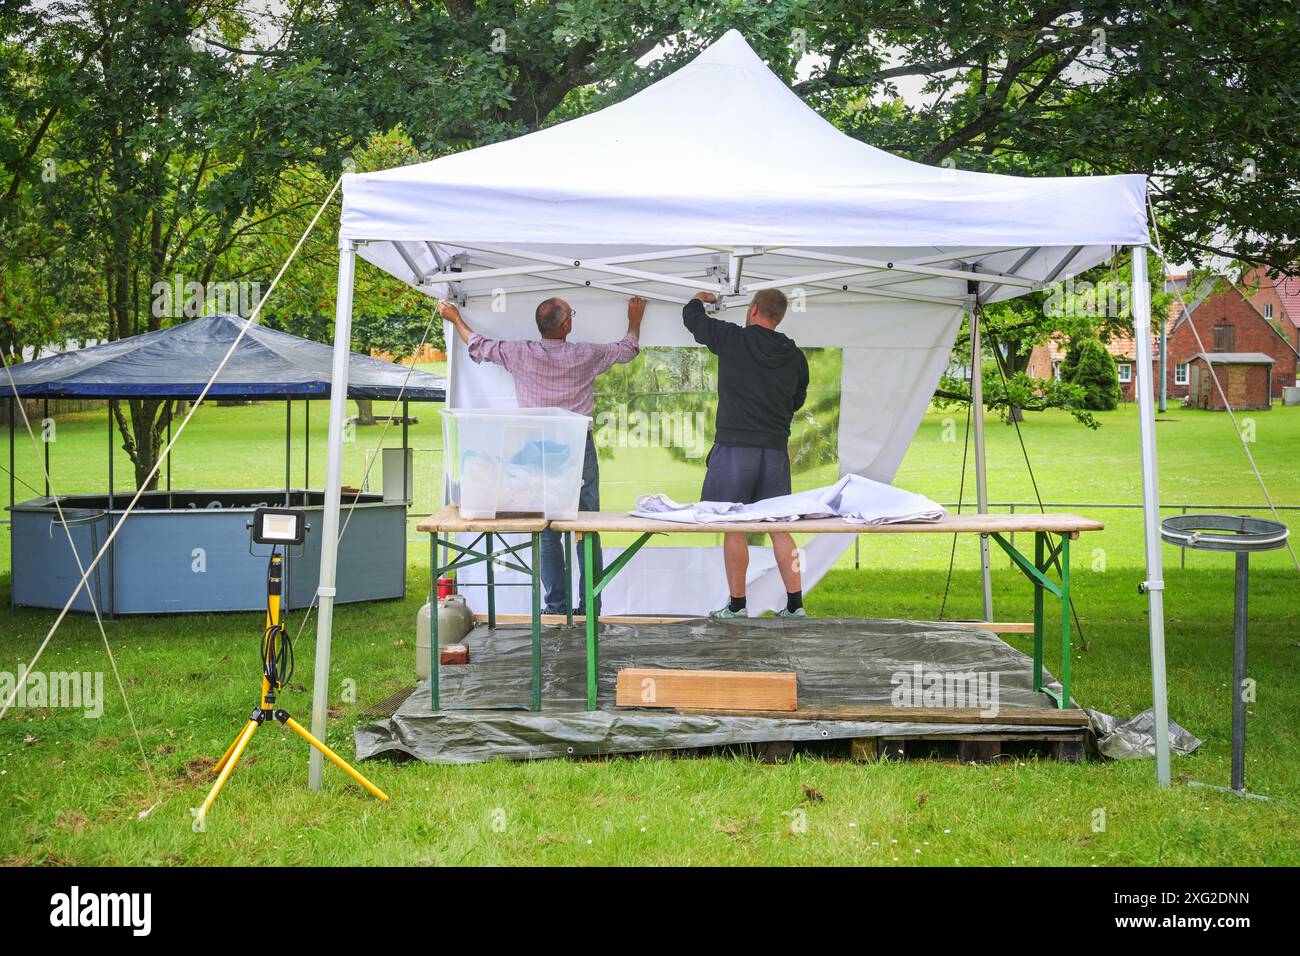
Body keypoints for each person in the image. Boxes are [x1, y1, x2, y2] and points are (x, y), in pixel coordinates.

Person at [438, 296, 645, 614]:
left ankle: (555, 608)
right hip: (576, 448)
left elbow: (478, 345)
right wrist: (634, 319)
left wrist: (455, 317)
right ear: (566, 325)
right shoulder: (585, 355)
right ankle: (590, 607)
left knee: (547, 529)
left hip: (534, 449)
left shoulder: (520, 354)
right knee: (585, 527)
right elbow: (628, 349)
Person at [683, 289, 809, 619]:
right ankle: (795, 607)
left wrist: (699, 299)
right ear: (779, 316)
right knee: (780, 528)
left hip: (735, 449)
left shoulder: (733, 338)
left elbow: (692, 319)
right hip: (774, 453)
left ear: (753, 310)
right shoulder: (795, 356)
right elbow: (797, 401)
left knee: (733, 527)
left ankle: (737, 607)